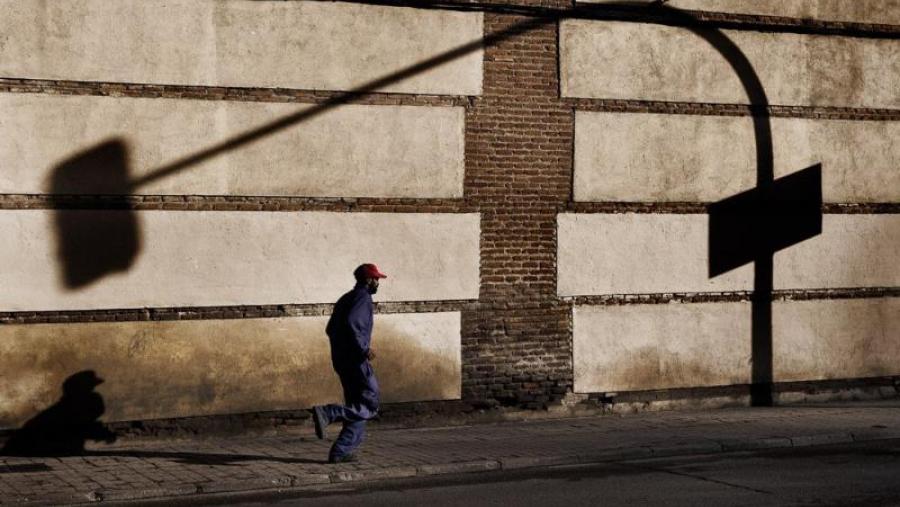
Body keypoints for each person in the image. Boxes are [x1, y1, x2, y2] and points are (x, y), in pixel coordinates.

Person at [311, 263, 387, 463]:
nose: (378, 283)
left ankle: (341, 451)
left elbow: (330, 329)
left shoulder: (346, 298)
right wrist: (363, 348)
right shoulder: (363, 298)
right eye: (376, 279)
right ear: (368, 280)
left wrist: (341, 350)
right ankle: (328, 413)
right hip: (356, 360)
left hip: (343, 361)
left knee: (358, 405)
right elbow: (354, 322)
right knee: (370, 402)